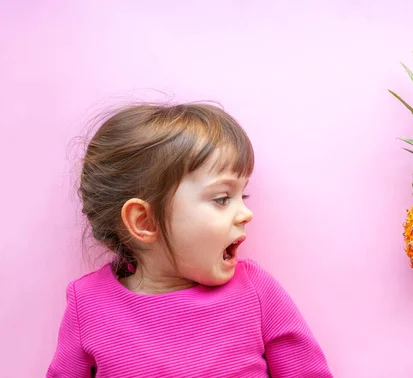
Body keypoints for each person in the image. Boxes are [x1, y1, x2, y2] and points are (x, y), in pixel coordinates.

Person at [46, 102, 333, 377]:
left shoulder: (257, 292)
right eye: (222, 198)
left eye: (241, 195)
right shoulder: (88, 305)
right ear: (144, 221)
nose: (246, 213)